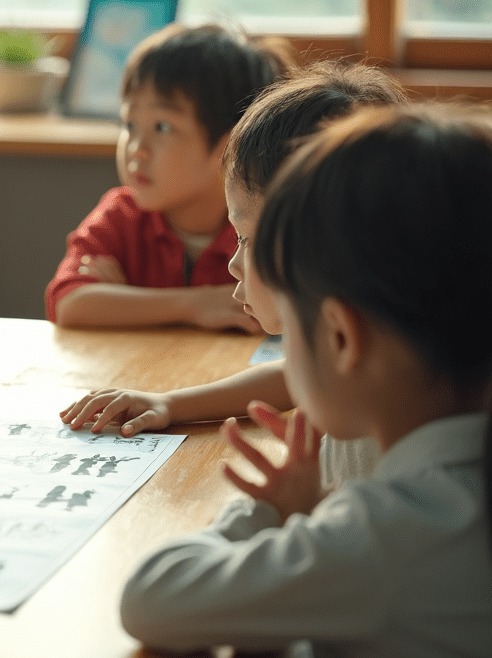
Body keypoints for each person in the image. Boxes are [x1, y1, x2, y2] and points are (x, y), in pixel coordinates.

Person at [119, 104, 492, 656]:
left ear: (341, 338)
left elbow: (151, 597)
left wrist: (265, 513)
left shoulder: (384, 536)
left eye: (289, 327)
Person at [61, 61, 408, 491]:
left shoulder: (393, 415)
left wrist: (308, 507)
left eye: (245, 238)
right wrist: (169, 404)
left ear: (310, 243)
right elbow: (290, 376)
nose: (233, 262)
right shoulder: (378, 351)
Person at [45, 23, 294, 331]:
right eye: (129, 125)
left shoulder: (259, 229)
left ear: (230, 146)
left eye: (162, 127)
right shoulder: (122, 215)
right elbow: (68, 302)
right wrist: (197, 304)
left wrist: (127, 301)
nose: (137, 149)